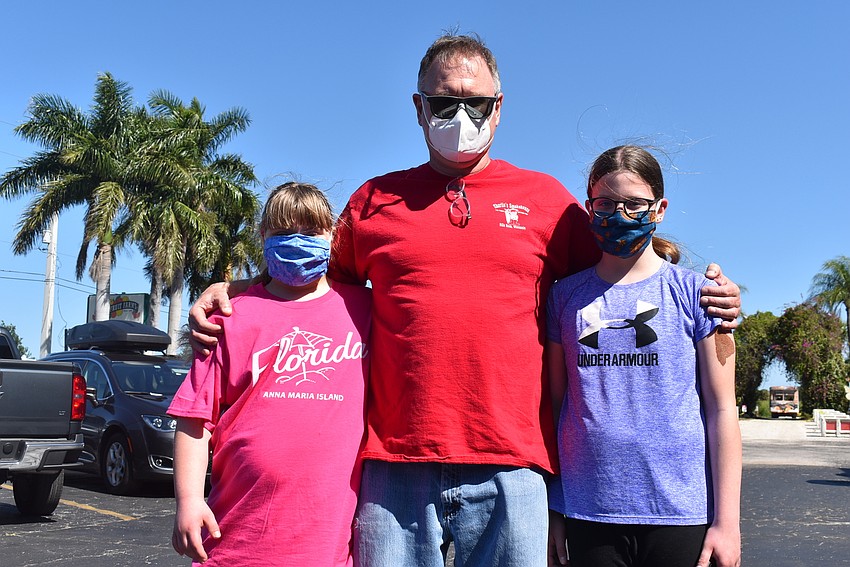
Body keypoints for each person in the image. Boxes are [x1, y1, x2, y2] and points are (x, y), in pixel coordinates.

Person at [187, 34, 741, 567]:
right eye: (443, 102)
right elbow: (307, 284)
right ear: (419, 108)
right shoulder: (373, 201)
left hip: (514, 464)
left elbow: (619, 267)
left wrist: (706, 288)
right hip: (395, 464)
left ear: (498, 108)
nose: (460, 115)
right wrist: (238, 290)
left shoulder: (546, 202)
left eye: (475, 102)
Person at [546, 145, 741, 567]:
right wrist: (554, 507)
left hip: (680, 510)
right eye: (606, 204)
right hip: (587, 509)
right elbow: (557, 407)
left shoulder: (699, 294)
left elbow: (722, 409)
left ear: (659, 209)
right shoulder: (564, 297)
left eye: (634, 204)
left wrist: (728, 523)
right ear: (589, 208)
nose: (620, 215)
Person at [168, 182, 371, 566]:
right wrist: (189, 500)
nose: (297, 240)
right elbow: (195, 419)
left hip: (328, 547)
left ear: (332, 235)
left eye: (311, 231)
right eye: (283, 231)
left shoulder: (364, 310)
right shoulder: (230, 317)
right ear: (263, 236)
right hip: (237, 543)